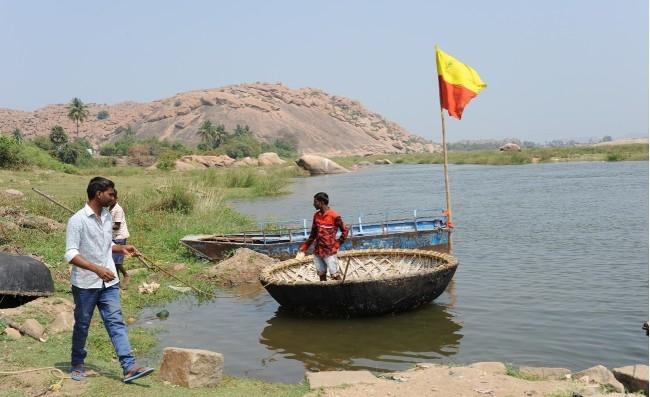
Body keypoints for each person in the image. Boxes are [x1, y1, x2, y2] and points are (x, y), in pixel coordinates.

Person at [65, 176, 154, 383]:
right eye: (111, 194)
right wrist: (96, 269)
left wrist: (120, 247)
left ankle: (129, 367)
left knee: (115, 322)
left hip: (109, 283)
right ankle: (77, 364)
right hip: (86, 284)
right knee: (83, 325)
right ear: (99, 194)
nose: (114, 197)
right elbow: (70, 254)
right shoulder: (77, 220)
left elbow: (104, 244)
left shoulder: (106, 216)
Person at [297, 192, 349, 281]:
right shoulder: (316, 216)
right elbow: (313, 234)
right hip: (318, 251)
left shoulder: (334, 216)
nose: (313, 204)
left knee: (335, 275)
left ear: (321, 202)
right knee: (321, 274)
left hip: (329, 251)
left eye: (315, 202)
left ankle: (343, 291)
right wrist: (303, 248)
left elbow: (345, 230)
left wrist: (337, 244)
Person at [109, 190, 130, 290]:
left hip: (119, 237)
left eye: (113, 198)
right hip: (112, 237)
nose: (110, 200)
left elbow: (117, 226)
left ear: (116, 199)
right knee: (114, 261)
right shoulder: (108, 208)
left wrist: (104, 227)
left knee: (116, 262)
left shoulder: (118, 210)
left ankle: (123, 276)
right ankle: (118, 280)